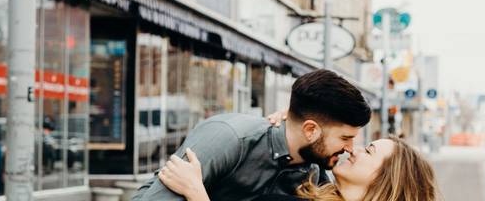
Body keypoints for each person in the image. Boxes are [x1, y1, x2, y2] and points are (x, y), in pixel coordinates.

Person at [131, 69, 372, 201]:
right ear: (310, 130)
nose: (350, 148)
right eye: (344, 138)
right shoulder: (230, 138)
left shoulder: (314, 177)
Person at [158, 137, 440, 201]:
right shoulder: (316, 186)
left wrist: (196, 192)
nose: (353, 148)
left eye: (369, 151)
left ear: (387, 176)